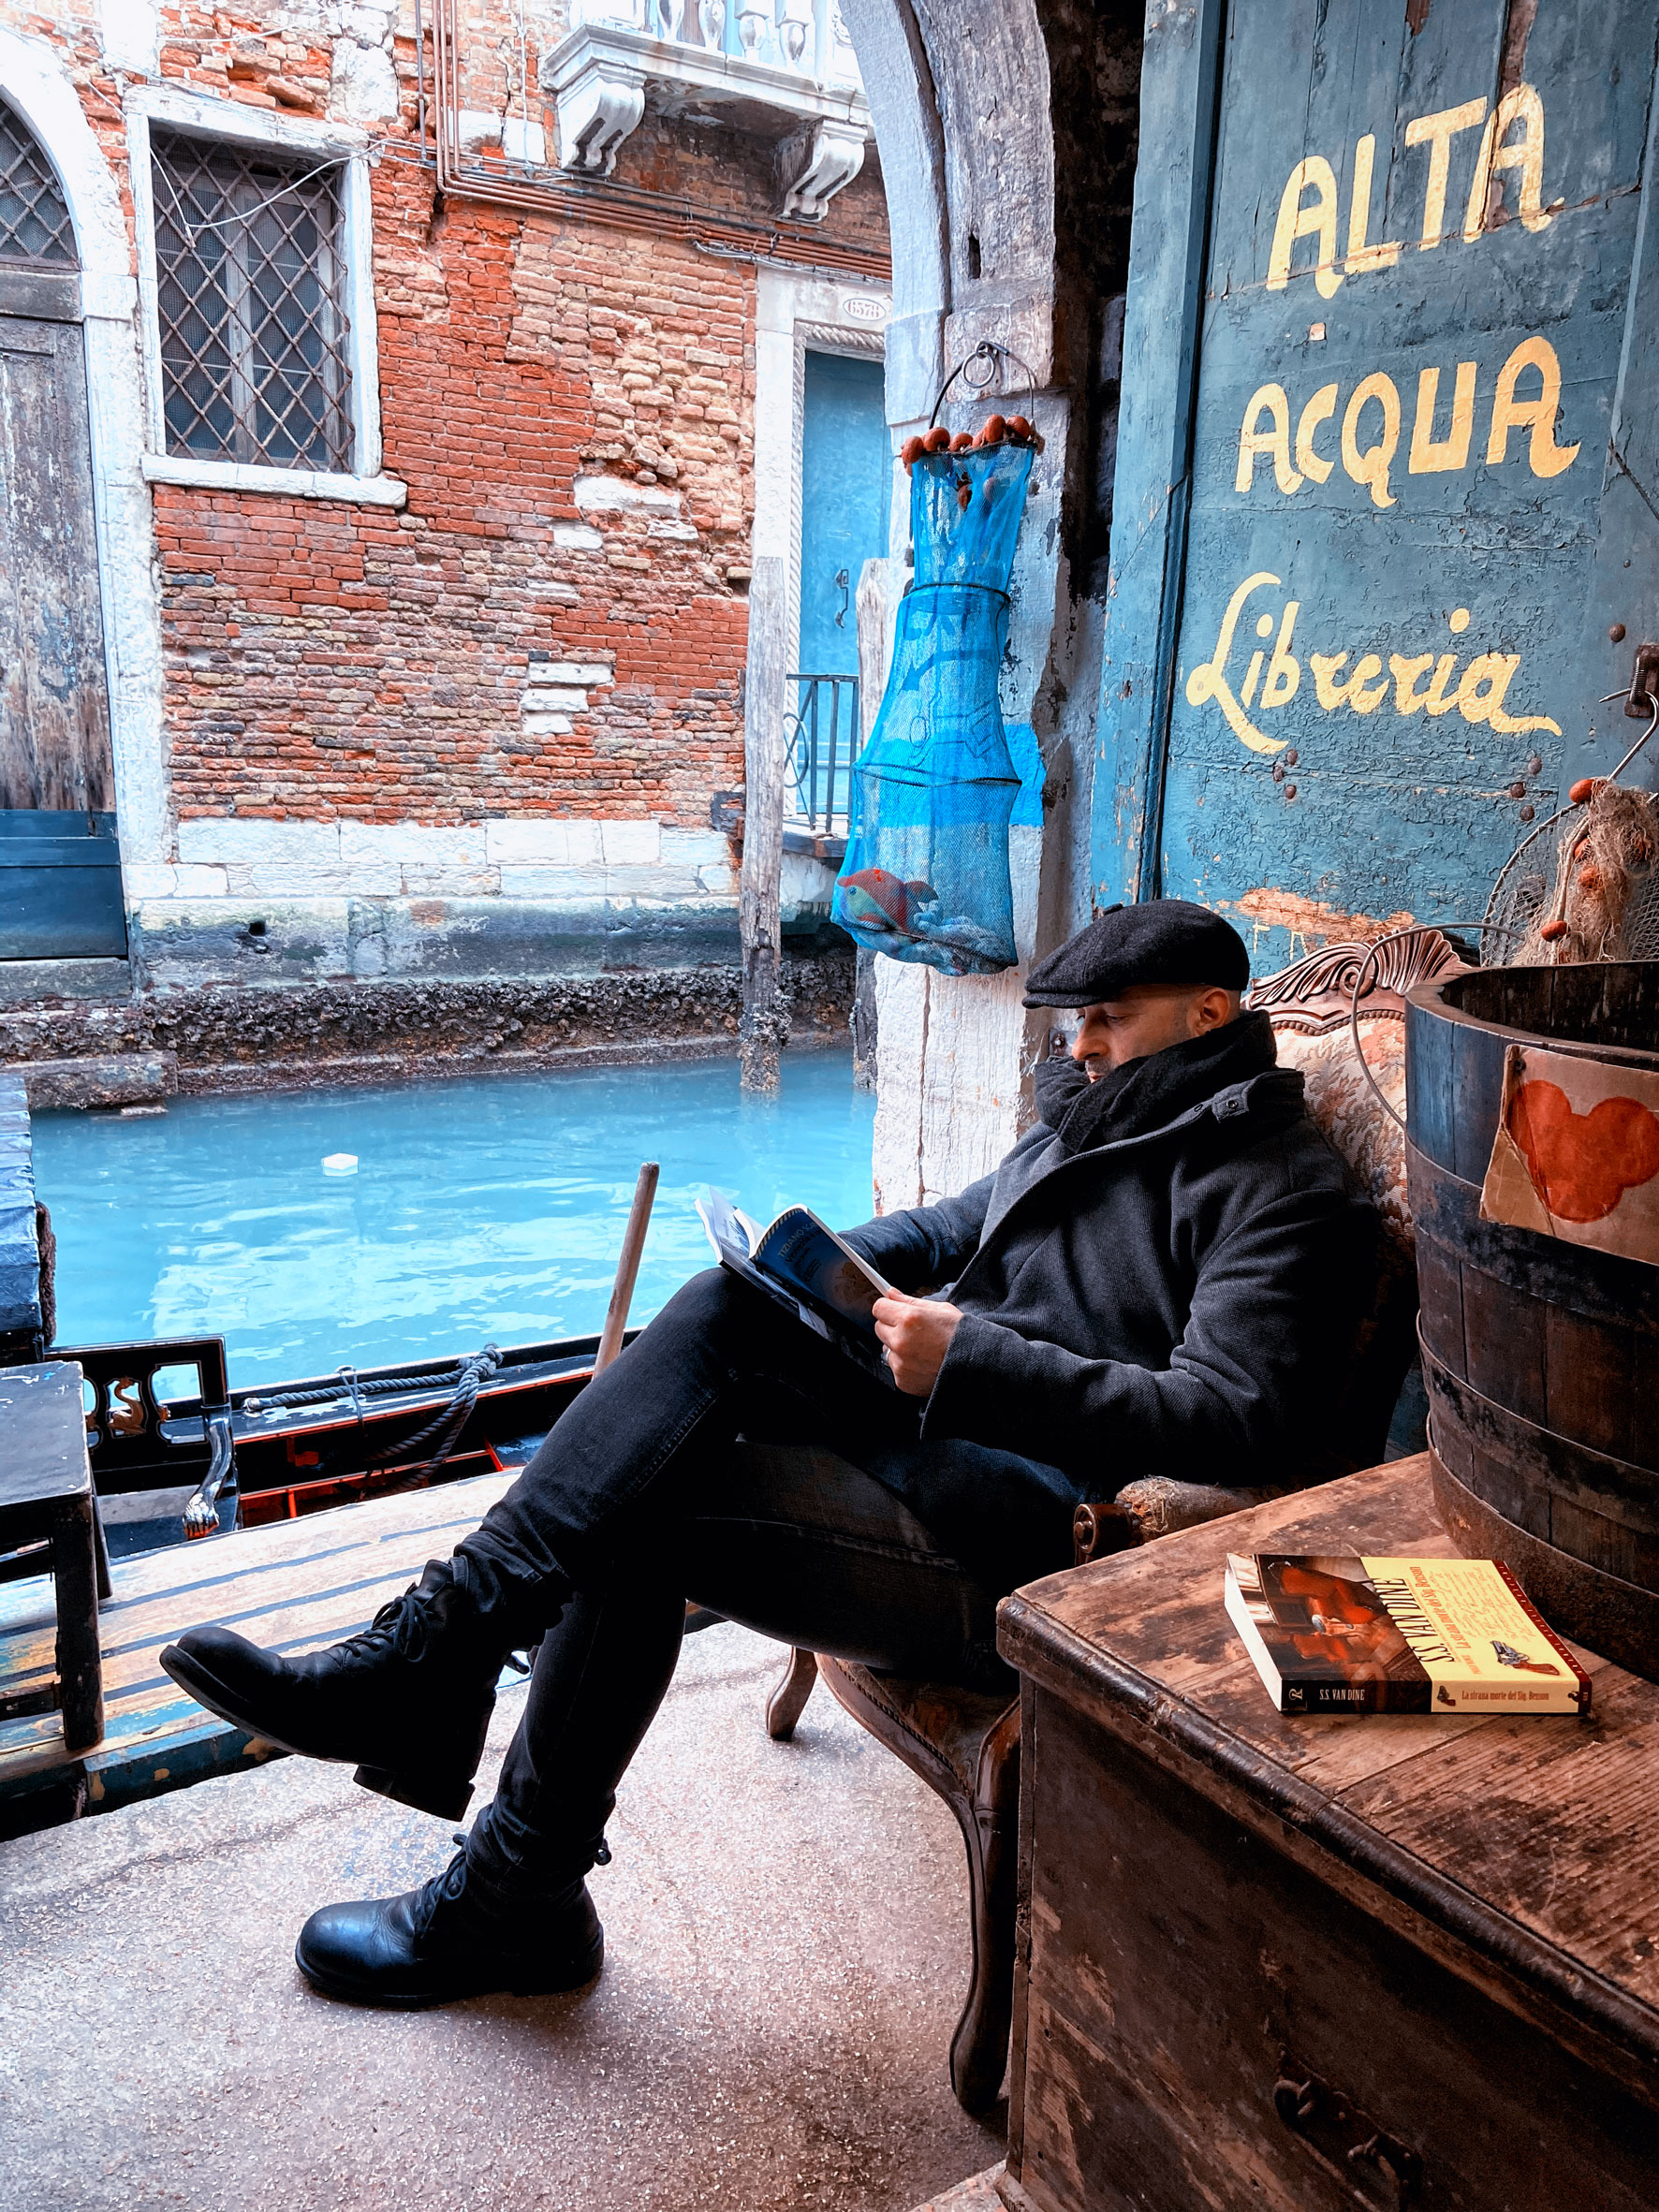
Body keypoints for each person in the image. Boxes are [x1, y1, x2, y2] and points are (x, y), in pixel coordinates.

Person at [161, 900, 1374, 2007]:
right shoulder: (1094, 1122)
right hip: (933, 1444)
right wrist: (812, 1260)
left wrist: (975, 1363)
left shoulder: (1282, 1189)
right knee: (691, 1379)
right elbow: (953, 1227)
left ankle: (448, 1704)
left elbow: (1234, 1421)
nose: (1080, 1047)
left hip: (1038, 1531)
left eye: (1106, 1021)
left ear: (1209, 1014)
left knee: (655, 1444)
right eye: (1074, 1026)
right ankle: (498, 1844)